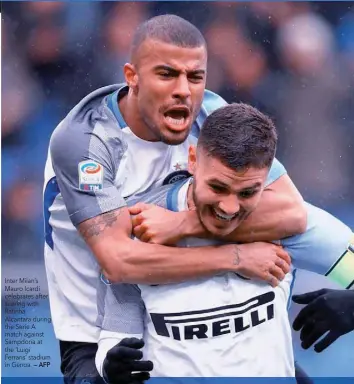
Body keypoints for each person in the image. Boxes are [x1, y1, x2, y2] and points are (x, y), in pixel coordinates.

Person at [43, 15, 306, 382]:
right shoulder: (86, 141)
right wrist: (235, 256)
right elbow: (119, 262)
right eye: (167, 74)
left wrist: (183, 222)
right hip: (100, 337)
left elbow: (293, 212)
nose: (184, 89)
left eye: (195, 76)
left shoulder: (212, 116)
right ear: (131, 76)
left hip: (190, 314)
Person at [94, 103, 353, 381]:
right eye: (218, 187)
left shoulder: (289, 222)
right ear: (193, 160)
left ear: (267, 179)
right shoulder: (137, 226)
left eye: (248, 192)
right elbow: (115, 334)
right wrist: (111, 365)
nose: (229, 208)